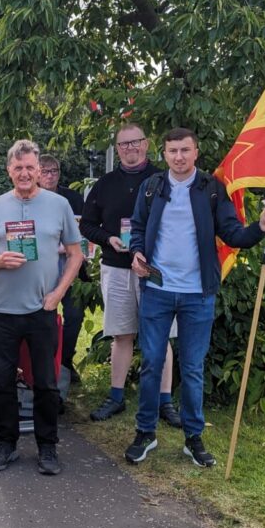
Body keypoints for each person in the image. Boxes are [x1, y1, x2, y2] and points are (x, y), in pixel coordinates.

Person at [124, 128, 265, 468]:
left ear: (196, 152)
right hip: (157, 290)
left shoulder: (211, 188)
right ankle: (145, 433)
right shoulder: (151, 187)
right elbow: (137, 227)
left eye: (185, 150)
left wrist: (260, 227)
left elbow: (233, 234)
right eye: (172, 151)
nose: (178, 157)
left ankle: (193, 438)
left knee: (192, 368)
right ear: (163, 154)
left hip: (198, 293)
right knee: (151, 363)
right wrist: (137, 252)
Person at [0, 140, 82, 475]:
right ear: (9, 170)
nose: (24, 173)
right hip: (3, 310)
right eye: (17, 167)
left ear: (39, 170)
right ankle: (5, 443)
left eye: (30, 167)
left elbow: (76, 254)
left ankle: (47, 447)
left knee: (46, 383)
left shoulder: (58, 204)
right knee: (3, 381)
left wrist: (58, 293)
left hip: (42, 310)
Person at [80, 124, 181, 426]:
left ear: (147, 144)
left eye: (135, 142)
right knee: (121, 334)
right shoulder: (105, 184)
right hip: (116, 267)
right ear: (117, 148)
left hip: (156, 270)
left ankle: (165, 402)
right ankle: (116, 397)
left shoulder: (166, 181)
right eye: (123, 145)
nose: (130, 148)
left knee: (161, 337)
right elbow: (87, 225)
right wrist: (107, 238)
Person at [36, 155, 86, 388]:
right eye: (44, 171)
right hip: (41, 269)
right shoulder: (28, 197)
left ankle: (65, 362)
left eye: (54, 171)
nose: (49, 175)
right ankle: (44, 364)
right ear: (36, 173)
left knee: (75, 315)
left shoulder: (74, 198)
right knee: (43, 316)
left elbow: (84, 230)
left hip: (71, 266)